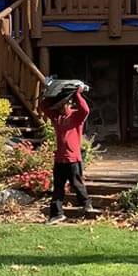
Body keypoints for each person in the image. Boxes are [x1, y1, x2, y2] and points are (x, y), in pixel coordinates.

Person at [40, 90, 93, 221]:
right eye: (59, 105)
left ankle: (86, 205)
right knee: (58, 187)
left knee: (76, 183)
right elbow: (42, 106)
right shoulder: (56, 117)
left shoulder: (77, 116)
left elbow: (85, 109)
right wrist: (50, 93)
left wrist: (76, 94)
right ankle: (57, 214)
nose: (61, 108)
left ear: (69, 104)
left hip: (73, 158)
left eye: (63, 104)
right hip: (59, 159)